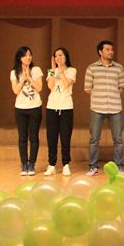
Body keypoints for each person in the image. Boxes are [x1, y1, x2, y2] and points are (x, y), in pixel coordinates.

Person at [84, 40, 124, 176]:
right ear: (100, 52)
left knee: (118, 140)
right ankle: (93, 166)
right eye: (107, 49)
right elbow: (87, 88)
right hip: (97, 108)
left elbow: (121, 87)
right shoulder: (91, 68)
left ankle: (119, 166)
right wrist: (99, 96)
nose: (111, 52)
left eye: (112, 49)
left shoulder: (119, 68)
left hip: (115, 108)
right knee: (94, 139)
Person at [10, 46, 43, 176]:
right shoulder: (14, 72)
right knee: (22, 137)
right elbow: (15, 91)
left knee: (34, 137)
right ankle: (24, 164)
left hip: (35, 107)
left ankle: (32, 163)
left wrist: (29, 78)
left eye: (30, 55)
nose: (28, 57)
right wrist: (23, 79)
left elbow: (39, 88)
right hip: (20, 108)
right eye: (25, 55)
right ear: (20, 58)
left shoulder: (36, 70)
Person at [44, 47, 76, 176]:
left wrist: (61, 71)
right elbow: (50, 86)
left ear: (66, 57)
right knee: (51, 137)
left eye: (61, 55)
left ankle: (66, 164)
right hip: (52, 107)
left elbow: (67, 84)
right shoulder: (51, 71)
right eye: (56, 56)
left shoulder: (72, 70)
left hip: (66, 107)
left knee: (65, 137)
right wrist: (53, 69)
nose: (58, 58)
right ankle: (51, 165)